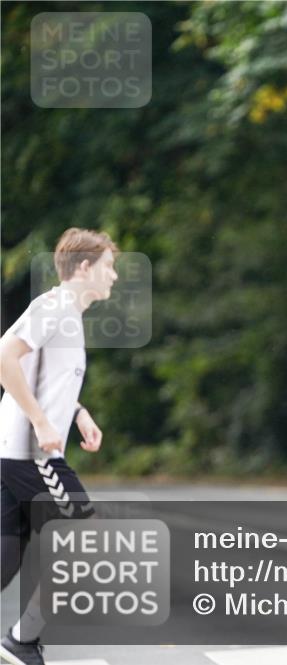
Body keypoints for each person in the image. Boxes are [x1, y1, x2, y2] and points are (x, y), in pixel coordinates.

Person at [0, 228, 119, 665]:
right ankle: (21, 641)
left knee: (6, 559)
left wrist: (78, 413)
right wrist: (40, 419)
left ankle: (21, 641)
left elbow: (42, 376)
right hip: (32, 454)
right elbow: (3, 357)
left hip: (14, 454)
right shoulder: (53, 307)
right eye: (109, 266)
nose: (115, 276)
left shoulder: (66, 314)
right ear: (84, 268)